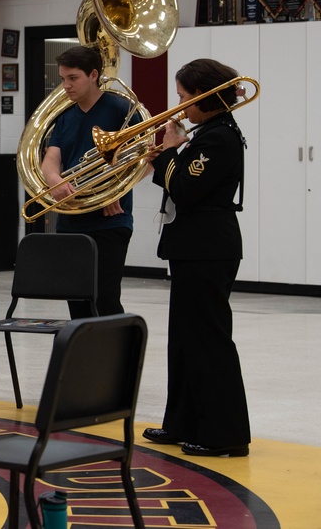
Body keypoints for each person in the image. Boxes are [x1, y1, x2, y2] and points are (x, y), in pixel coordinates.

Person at [142, 58, 251, 458]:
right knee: (185, 340)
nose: (179, 105)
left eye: (185, 97)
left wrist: (169, 152)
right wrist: (173, 152)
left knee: (208, 341)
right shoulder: (207, 133)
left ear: (206, 97)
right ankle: (183, 422)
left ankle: (225, 434)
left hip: (207, 248)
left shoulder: (218, 137)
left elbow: (186, 189)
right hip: (193, 248)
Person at [41, 45, 138, 319]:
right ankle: (83, 360)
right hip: (71, 219)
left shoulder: (122, 108)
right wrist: (54, 179)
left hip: (110, 220)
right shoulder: (63, 114)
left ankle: (112, 360)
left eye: (73, 78)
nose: (66, 86)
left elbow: (145, 159)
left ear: (93, 74)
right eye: (63, 79)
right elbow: (51, 157)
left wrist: (112, 191)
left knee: (105, 300)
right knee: (77, 301)